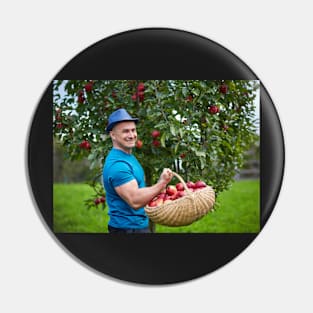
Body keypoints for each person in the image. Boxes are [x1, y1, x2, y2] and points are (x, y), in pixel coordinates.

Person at [102, 108, 173, 233]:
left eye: (133, 130)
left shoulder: (128, 157)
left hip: (136, 226)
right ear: (113, 135)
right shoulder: (118, 165)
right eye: (125, 131)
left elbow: (139, 190)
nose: (131, 135)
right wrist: (161, 183)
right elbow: (135, 200)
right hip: (127, 229)